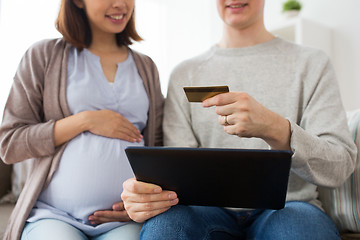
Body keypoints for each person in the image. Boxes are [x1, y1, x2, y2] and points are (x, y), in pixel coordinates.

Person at [121, 0, 357, 239]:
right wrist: (146, 194)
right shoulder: (185, 73)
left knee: (301, 230)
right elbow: (176, 177)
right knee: (165, 228)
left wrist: (275, 128)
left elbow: (339, 167)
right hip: (204, 212)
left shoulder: (312, 64)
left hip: (289, 208)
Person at [0, 0, 163, 239]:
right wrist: (84, 121)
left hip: (124, 219)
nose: (120, 4)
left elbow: (159, 147)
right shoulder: (43, 55)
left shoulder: (146, 67)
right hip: (54, 215)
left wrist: (141, 206)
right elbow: (10, 143)